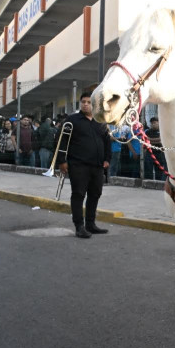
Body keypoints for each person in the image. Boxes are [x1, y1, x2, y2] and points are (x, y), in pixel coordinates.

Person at [57, 92, 111, 239]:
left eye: (88, 102)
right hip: (78, 164)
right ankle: (79, 226)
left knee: (95, 194)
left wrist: (107, 158)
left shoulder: (100, 121)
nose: (85, 104)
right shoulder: (72, 120)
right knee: (78, 194)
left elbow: (107, 140)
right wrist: (62, 161)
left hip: (97, 165)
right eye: (83, 102)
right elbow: (61, 141)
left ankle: (90, 224)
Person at [144, 116, 167, 181]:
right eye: (152, 123)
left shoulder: (162, 131)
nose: (153, 124)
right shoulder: (148, 132)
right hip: (150, 153)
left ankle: (159, 182)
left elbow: (161, 140)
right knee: (148, 169)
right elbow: (146, 141)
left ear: (158, 123)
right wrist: (154, 141)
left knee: (159, 170)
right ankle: (149, 182)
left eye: (155, 123)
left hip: (159, 153)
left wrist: (150, 140)